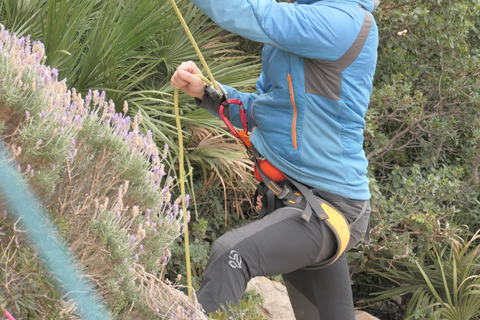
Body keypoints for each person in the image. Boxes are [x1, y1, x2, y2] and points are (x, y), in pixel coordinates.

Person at [171, 0, 379, 318]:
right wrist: (207, 91)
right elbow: (265, 111)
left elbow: (257, 15)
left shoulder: (343, 22)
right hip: (291, 198)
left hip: (331, 207)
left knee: (232, 253)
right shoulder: (302, 29)